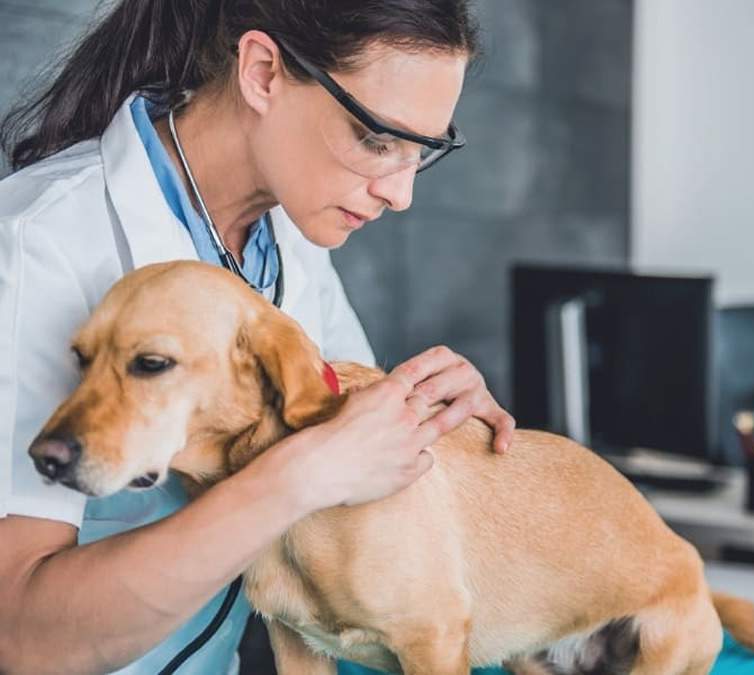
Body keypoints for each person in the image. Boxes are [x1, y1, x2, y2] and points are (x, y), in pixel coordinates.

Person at [0, 1, 515, 673]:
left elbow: (352, 457)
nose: (401, 193)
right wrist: (295, 478)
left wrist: (430, 417)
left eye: (423, 149)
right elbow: (20, 638)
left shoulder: (293, 239)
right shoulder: (35, 245)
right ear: (264, 73)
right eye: (376, 138)